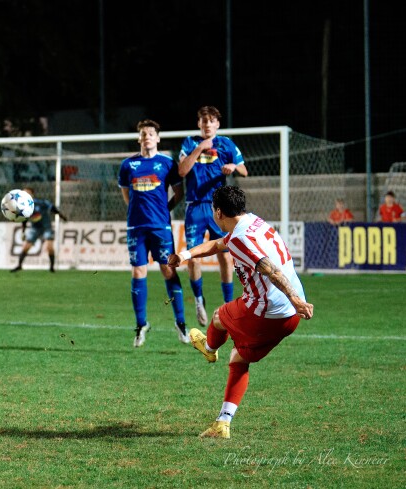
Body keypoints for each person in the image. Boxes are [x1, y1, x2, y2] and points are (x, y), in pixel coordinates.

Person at [168, 186, 313, 439]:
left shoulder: (240, 239)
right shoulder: (252, 223)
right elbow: (217, 244)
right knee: (238, 358)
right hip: (290, 318)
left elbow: (271, 271)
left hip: (266, 311)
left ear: (219, 212)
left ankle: (209, 349)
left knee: (217, 317)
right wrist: (185, 254)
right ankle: (223, 422)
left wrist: (293, 298)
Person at [118, 119, 188, 347]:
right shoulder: (128, 165)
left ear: (157, 138)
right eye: (143, 134)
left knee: (168, 269)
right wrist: (137, 212)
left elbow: (179, 193)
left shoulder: (167, 163)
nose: (147, 136)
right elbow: (127, 195)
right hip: (136, 227)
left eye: (151, 133)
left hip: (160, 227)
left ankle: (181, 322)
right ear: (139, 139)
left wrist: (163, 210)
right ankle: (141, 325)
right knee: (138, 271)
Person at [178, 105, 247, 328]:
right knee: (192, 256)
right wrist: (200, 148)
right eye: (203, 121)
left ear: (218, 124)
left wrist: (233, 165)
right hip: (195, 207)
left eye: (211, 120)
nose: (207, 124)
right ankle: (199, 300)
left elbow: (244, 170)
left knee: (226, 256)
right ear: (199, 124)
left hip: (219, 208)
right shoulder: (189, 143)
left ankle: (228, 306)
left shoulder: (226, 144)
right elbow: (182, 171)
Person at [10, 187, 67, 273]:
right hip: (34, 228)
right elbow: (24, 220)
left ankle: (52, 268)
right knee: (25, 247)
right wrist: (23, 231)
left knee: (49, 247)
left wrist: (62, 216)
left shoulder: (40, 203)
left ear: (32, 195)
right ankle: (19, 265)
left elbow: (52, 208)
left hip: (46, 227)